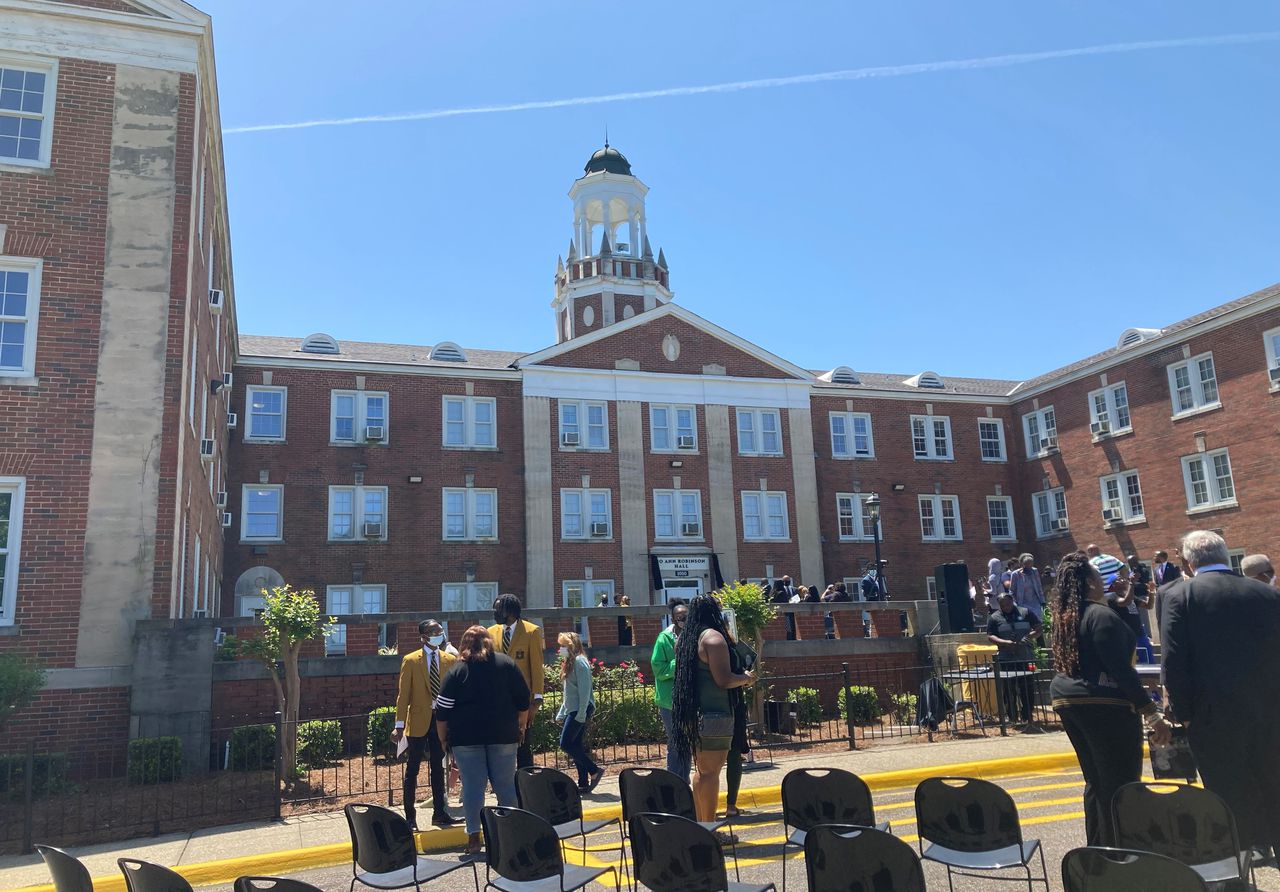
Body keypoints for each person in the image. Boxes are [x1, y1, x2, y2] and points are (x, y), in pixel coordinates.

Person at [1161, 530, 1280, 858]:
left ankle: (1240, 863)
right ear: (1226, 556)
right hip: (1269, 711)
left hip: (1213, 716)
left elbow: (1174, 659)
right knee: (1273, 784)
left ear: (1187, 561)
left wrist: (1183, 713)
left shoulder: (1180, 596)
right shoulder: (1267, 594)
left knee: (1227, 793)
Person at [1050, 552, 1171, 847]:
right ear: (1091, 582)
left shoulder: (1066, 617)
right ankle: (1124, 849)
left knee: (1096, 781)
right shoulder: (1102, 615)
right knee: (1121, 781)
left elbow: (1093, 664)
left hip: (1068, 698)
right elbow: (1120, 670)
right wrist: (1152, 713)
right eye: (1096, 575)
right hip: (1106, 705)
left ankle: (1098, 850)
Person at [435, 625, 531, 856]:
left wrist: (443, 738)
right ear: (490, 641)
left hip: (466, 738)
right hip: (503, 736)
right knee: (506, 787)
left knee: (472, 789)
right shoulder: (506, 664)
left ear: (464, 644)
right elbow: (523, 699)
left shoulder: (458, 670)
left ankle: (474, 838)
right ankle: (512, 835)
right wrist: (520, 726)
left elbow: (442, 709)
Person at [670, 594, 756, 825]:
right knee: (710, 774)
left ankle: (702, 825)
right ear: (714, 613)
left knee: (701, 772)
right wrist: (745, 678)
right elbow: (724, 680)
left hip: (693, 715)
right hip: (715, 716)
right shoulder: (714, 639)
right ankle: (709, 832)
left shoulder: (685, 639)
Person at [391, 620, 460, 829]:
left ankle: (440, 813)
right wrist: (399, 724)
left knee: (439, 769)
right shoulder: (411, 660)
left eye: (439, 630)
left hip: (440, 720)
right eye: (433, 632)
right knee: (412, 769)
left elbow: (453, 692)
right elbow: (403, 696)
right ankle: (410, 816)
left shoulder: (449, 659)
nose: (438, 634)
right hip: (418, 720)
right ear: (423, 637)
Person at [488, 593, 545, 769]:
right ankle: (503, 781)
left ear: (510, 611)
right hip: (498, 700)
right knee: (500, 743)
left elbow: (536, 666)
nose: (495, 613)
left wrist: (537, 698)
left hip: (522, 700)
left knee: (523, 743)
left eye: (498, 610)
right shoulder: (490, 632)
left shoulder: (531, 631)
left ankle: (525, 781)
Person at [555, 632, 604, 792]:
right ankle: (583, 782)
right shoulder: (570, 662)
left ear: (571, 646)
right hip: (574, 708)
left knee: (566, 743)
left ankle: (594, 770)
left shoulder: (579, 662)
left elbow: (584, 691)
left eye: (563, 646)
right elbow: (569, 693)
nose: (560, 649)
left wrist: (581, 713)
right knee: (575, 745)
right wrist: (562, 712)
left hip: (580, 709)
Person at [986, 593, 1041, 726]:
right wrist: (1004, 642)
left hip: (1025, 657)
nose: (1006, 607)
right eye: (1003, 605)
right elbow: (990, 636)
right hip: (1006, 658)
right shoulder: (994, 618)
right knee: (1008, 689)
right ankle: (1012, 717)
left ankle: (1027, 716)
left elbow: (1039, 628)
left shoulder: (1026, 612)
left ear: (1012, 601)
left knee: (1027, 688)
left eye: (1008, 604)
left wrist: (1028, 638)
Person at [651, 598, 690, 780]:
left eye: (685, 615)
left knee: (687, 742)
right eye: (679, 616)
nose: (682, 618)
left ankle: (684, 781)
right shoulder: (664, 638)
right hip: (669, 701)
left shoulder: (694, 636)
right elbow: (659, 669)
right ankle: (673, 782)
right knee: (675, 742)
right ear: (673, 618)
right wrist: (679, 662)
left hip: (689, 699)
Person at [722, 623, 756, 819]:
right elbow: (726, 678)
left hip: (733, 703)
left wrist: (746, 678)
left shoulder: (731, 643)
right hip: (728, 704)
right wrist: (745, 678)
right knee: (729, 754)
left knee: (730, 754)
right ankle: (729, 805)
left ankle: (726, 805)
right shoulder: (722, 643)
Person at [1122, 555, 1154, 662]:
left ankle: (1148, 635)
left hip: (1141, 596)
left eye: (1133, 561)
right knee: (1136, 616)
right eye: (1130, 561)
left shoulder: (1143, 569)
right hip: (1131, 597)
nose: (1132, 563)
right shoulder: (1129, 571)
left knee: (1144, 616)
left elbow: (1145, 583)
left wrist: (1133, 583)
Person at [1009, 553, 1046, 622]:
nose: (1029, 567)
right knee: (1026, 622)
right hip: (1022, 603)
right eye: (1027, 565)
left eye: (1031, 564)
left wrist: (1042, 601)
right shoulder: (1015, 574)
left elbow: (1039, 586)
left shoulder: (1034, 571)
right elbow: (1011, 591)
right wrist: (1014, 603)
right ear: (1022, 564)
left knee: (1038, 621)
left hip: (1035, 602)